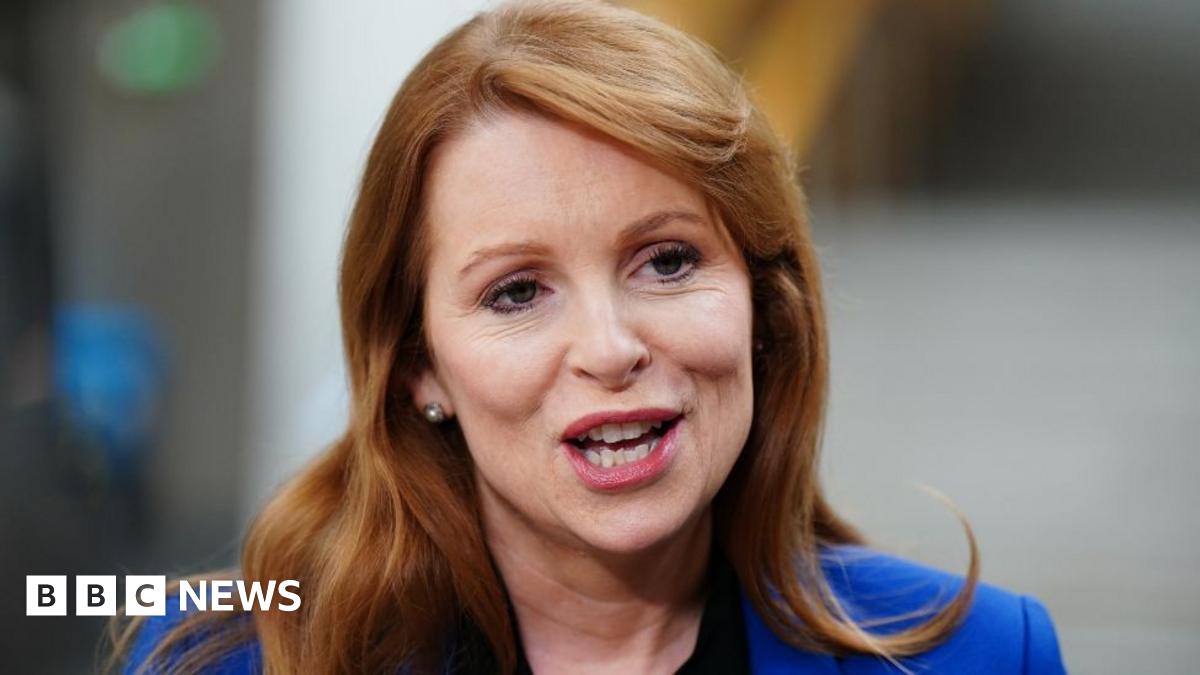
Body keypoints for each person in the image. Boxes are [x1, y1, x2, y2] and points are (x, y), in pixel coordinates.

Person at [112, 1, 1065, 673]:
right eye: (518, 291)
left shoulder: (986, 654)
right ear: (416, 364)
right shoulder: (224, 658)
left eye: (667, 261)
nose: (609, 349)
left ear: (764, 308)